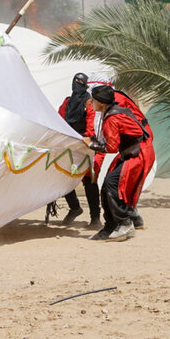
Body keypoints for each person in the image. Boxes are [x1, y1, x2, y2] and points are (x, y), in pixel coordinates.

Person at [85, 85, 155, 242]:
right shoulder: (111, 111)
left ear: (102, 103)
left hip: (138, 152)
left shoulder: (112, 118)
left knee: (113, 183)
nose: (91, 102)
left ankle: (124, 223)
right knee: (108, 185)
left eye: (94, 100)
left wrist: (90, 144)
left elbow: (111, 147)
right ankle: (110, 227)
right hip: (132, 150)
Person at [56, 73, 100, 229]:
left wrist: (83, 139)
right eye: (75, 81)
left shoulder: (89, 102)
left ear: (86, 85)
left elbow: (90, 127)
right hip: (68, 145)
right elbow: (59, 121)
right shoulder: (67, 102)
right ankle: (75, 208)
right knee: (62, 177)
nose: (77, 84)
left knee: (89, 180)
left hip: (84, 146)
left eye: (80, 82)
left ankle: (95, 218)